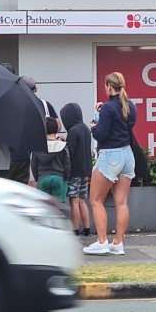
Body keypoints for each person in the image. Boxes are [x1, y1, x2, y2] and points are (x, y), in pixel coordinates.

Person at [83, 72, 136, 257]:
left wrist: (93, 127)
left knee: (96, 200)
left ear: (108, 86)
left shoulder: (107, 109)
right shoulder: (130, 106)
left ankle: (101, 241)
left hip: (110, 155)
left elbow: (102, 134)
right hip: (128, 155)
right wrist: (101, 112)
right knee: (122, 202)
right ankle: (118, 243)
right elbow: (125, 126)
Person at [61, 101, 93, 237]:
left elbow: (70, 152)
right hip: (85, 170)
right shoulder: (85, 128)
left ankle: (75, 231)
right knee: (82, 200)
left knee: (73, 201)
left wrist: (63, 143)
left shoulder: (73, 131)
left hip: (74, 171)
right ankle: (87, 230)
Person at [31, 117, 71, 201]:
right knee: (58, 207)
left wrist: (37, 178)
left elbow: (34, 164)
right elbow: (67, 163)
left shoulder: (37, 146)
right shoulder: (62, 145)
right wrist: (66, 178)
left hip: (42, 177)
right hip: (58, 177)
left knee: (44, 205)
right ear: (56, 129)